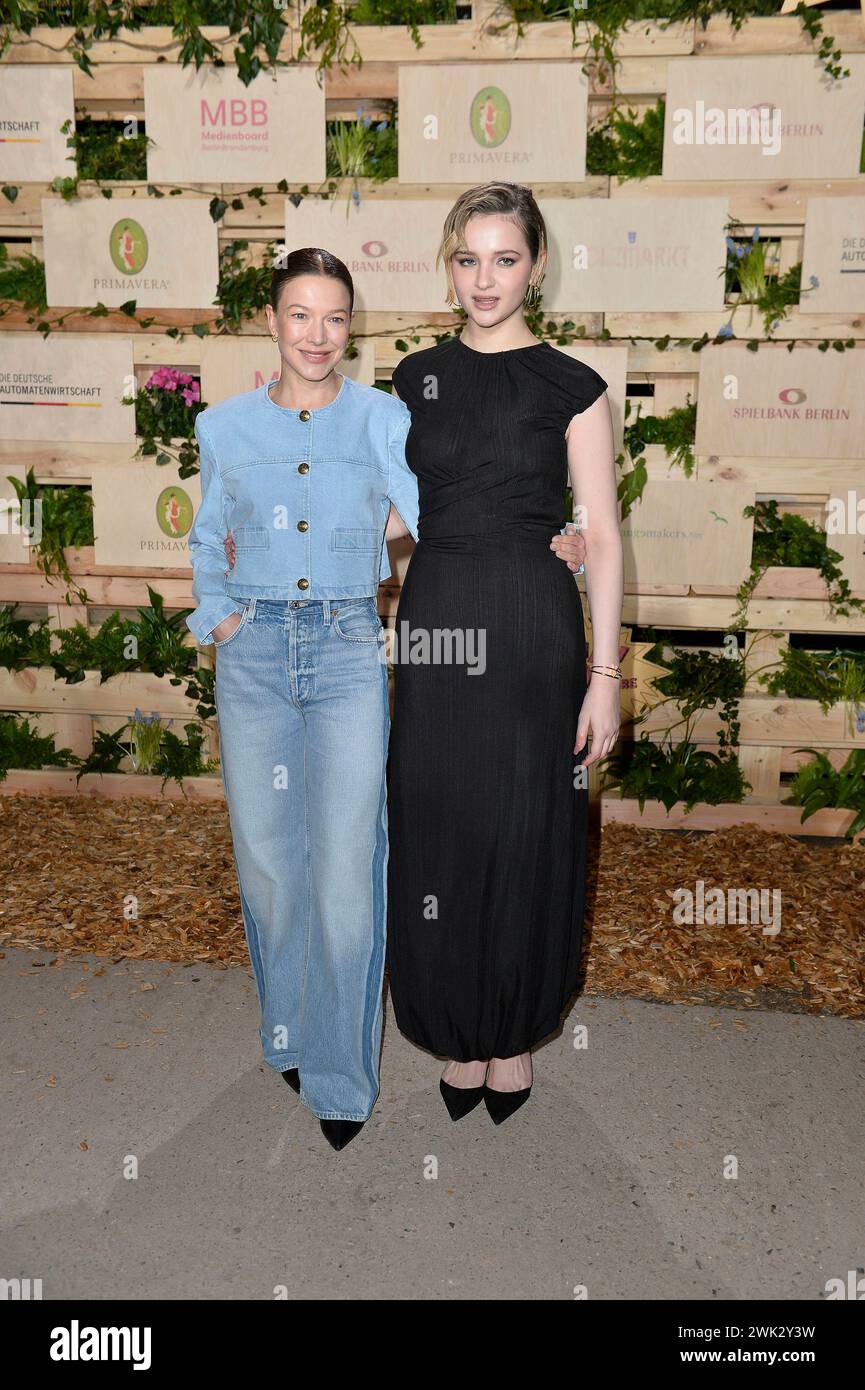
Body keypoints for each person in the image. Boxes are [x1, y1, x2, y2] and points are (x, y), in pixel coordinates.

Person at [187, 246, 587, 1151]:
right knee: (268, 866)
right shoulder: (223, 427)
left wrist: (556, 533)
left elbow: (449, 505)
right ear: (272, 322)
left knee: (343, 874)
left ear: (350, 327)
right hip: (249, 654)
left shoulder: (382, 417)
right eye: (299, 314)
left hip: (341, 650)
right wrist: (215, 618)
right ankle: (286, 1029)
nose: (317, 334)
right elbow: (210, 534)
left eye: (334, 317)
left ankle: (337, 1078)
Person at [384, 182, 623, 1126]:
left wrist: (605, 678)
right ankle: (458, 1024)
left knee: (528, 823)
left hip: (530, 627)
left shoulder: (572, 386)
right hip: (437, 616)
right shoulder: (410, 378)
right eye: (466, 258)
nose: (484, 279)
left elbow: (600, 534)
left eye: (504, 258)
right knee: (441, 821)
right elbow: (392, 518)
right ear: (448, 265)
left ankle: (512, 1034)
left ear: (535, 265)